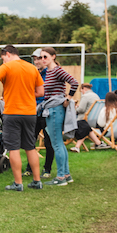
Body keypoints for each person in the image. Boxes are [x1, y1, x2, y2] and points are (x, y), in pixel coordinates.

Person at [0, 45, 45, 191]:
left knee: (13, 148)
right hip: (30, 114)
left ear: (7, 54)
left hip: (12, 113)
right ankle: (37, 181)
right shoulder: (32, 68)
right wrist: (25, 94)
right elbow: (40, 92)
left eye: (3, 59)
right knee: (30, 147)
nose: (3, 62)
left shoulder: (7, 67)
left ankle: (18, 184)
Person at [38, 47, 79, 186]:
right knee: (58, 143)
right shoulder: (48, 71)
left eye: (45, 57)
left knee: (56, 143)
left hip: (55, 109)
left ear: (53, 56)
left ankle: (60, 177)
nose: (43, 59)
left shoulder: (57, 70)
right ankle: (66, 175)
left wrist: (67, 99)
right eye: (41, 57)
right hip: (51, 108)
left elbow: (74, 83)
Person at [30, 49, 54, 178]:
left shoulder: (51, 73)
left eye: (39, 58)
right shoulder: (33, 73)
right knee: (30, 141)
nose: (37, 61)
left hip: (47, 112)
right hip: (34, 112)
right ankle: (30, 168)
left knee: (49, 142)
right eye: (35, 59)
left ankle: (47, 169)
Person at [70, 83, 109, 151]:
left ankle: (77, 147)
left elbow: (81, 109)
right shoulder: (96, 96)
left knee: (83, 126)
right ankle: (98, 143)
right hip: (94, 120)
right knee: (87, 128)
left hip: (83, 120)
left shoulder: (86, 96)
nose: (81, 92)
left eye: (81, 90)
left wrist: (74, 109)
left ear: (84, 88)